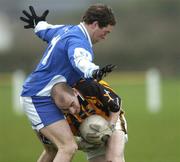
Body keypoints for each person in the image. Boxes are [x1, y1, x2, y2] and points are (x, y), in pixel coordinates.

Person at [20, 4, 117, 162]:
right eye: (105, 32)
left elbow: (46, 30)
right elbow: (80, 59)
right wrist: (93, 71)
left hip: (39, 94)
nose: (105, 36)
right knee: (68, 147)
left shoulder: (66, 30)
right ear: (94, 25)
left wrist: (37, 23)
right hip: (39, 98)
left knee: (52, 150)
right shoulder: (79, 41)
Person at [51, 79, 128, 162]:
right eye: (65, 109)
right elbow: (58, 142)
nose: (72, 111)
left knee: (113, 159)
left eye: (72, 104)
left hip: (111, 118)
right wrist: (81, 143)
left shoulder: (89, 87)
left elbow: (115, 104)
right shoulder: (54, 114)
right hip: (87, 135)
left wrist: (111, 126)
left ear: (75, 92)